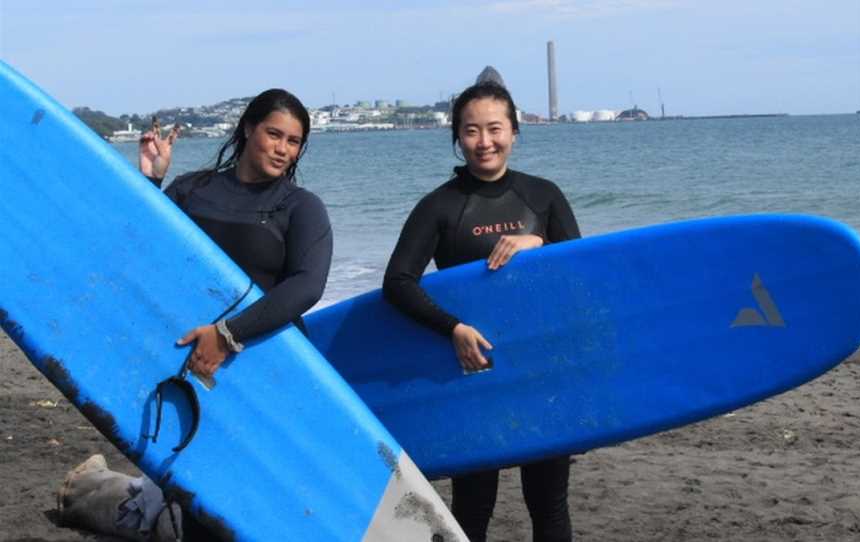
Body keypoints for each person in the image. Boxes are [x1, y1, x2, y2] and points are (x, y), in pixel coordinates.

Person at [58, 88, 332, 541]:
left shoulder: (301, 208)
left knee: (248, 489)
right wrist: (150, 182)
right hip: (189, 363)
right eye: (274, 134)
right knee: (193, 487)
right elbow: (140, 255)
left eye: (295, 141)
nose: (283, 149)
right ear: (248, 129)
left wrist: (228, 335)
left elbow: (307, 286)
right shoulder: (192, 189)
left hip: (265, 365)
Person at [382, 80, 581, 542]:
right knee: (472, 504)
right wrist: (452, 328)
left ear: (514, 131)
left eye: (495, 128)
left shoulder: (544, 196)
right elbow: (397, 282)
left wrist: (539, 244)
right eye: (471, 130)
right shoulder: (440, 206)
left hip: (539, 365)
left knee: (549, 502)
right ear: (457, 137)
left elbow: (578, 275)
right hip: (471, 368)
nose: (484, 141)